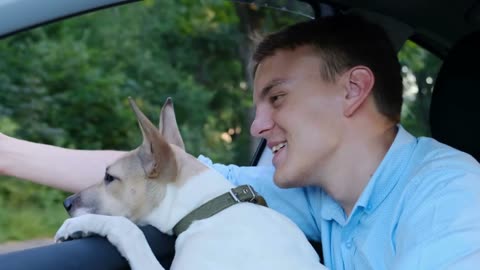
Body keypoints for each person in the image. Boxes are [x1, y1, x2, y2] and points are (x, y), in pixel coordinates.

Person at [1, 15, 480, 269]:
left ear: (352, 90)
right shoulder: (319, 197)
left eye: (277, 97)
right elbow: (163, 173)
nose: (257, 125)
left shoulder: (454, 199)